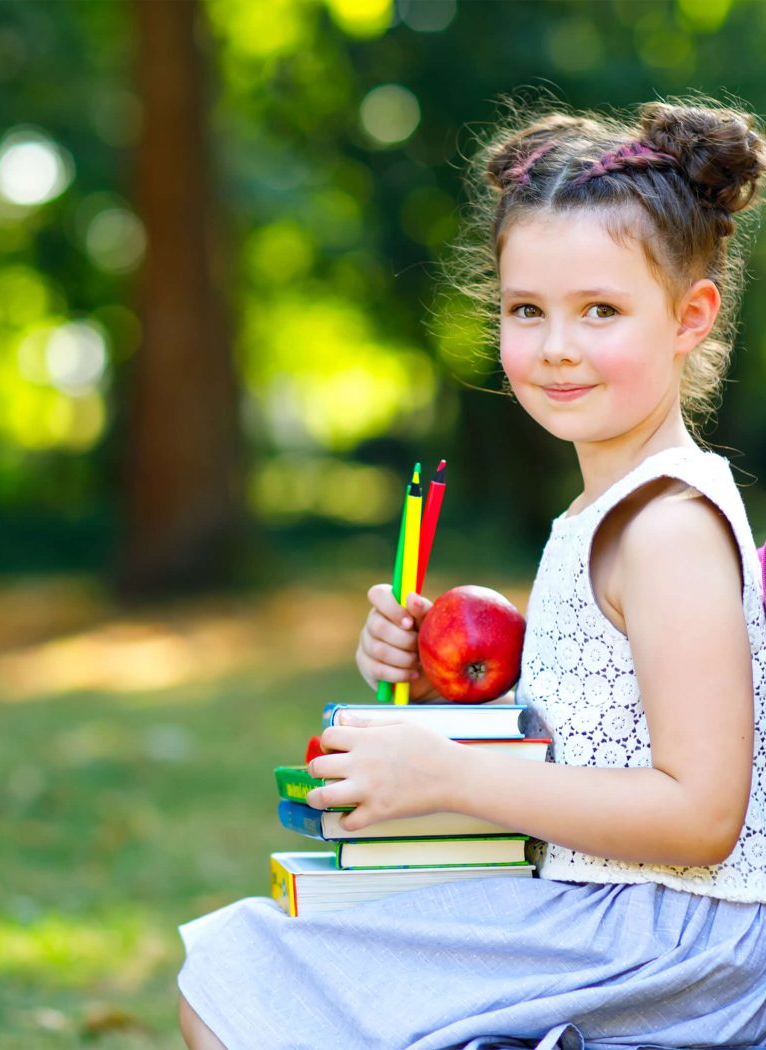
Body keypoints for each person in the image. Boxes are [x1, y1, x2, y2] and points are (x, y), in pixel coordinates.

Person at [177, 96, 766, 1050]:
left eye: (601, 311)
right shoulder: (605, 510)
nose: (557, 346)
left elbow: (701, 813)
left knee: (243, 970)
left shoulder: (667, 527)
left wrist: (449, 775)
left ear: (690, 317)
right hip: (611, 905)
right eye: (526, 310)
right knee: (270, 957)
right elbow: (601, 724)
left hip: (667, 941)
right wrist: (444, 675)